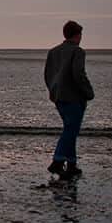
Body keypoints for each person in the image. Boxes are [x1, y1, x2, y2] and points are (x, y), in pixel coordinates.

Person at [44, 20, 95, 179]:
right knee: (70, 130)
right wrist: (89, 92)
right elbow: (78, 74)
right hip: (74, 97)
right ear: (77, 35)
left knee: (70, 129)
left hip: (59, 97)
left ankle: (71, 163)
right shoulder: (77, 51)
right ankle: (58, 161)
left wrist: (53, 91)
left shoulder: (53, 52)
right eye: (80, 34)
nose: (81, 37)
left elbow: (47, 74)